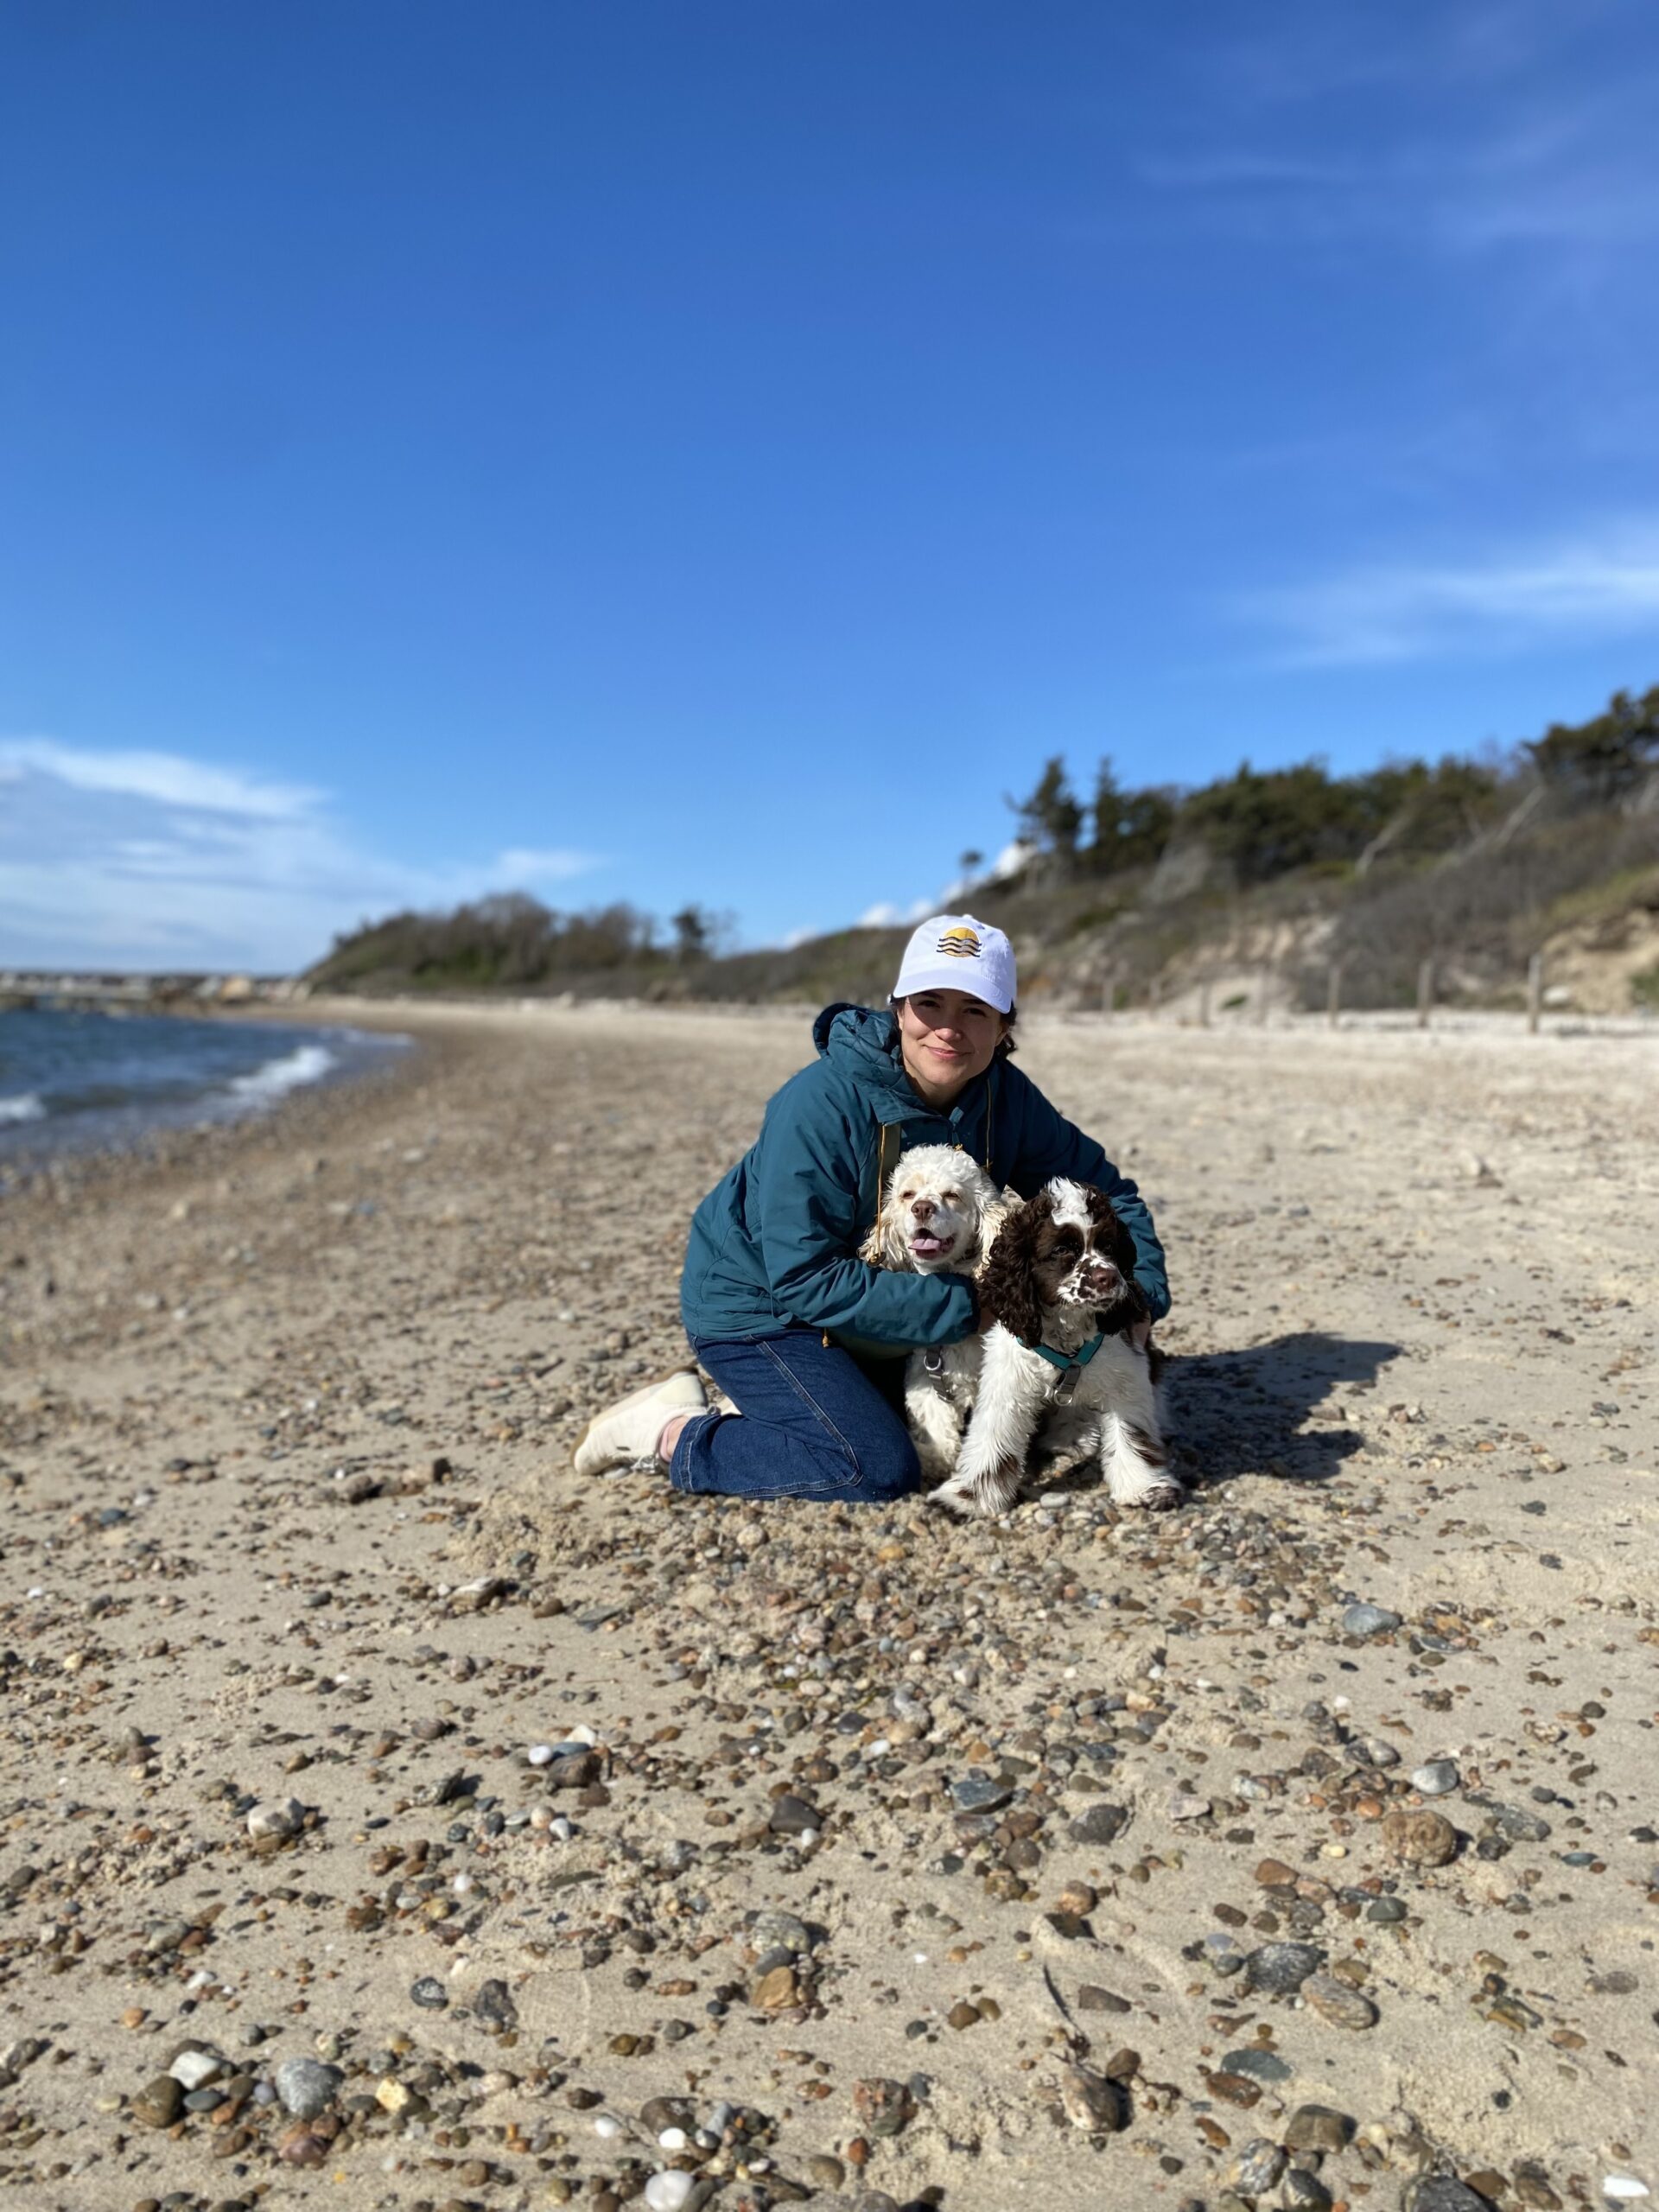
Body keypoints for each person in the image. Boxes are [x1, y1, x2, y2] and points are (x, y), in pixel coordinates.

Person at [573, 913, 1170, 1502]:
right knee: (871, 1466)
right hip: (764, 1307)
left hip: (901, 1305)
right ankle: (669, 1429)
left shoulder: (1007, 1096)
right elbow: (803, 1277)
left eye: (975, 1010)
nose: (949, 1028)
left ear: (1004, 1023)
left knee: (1050, 1404)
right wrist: (975, 1305)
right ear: (898, 1007)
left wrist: (1135, 1294)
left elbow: (1106, 1197)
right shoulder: (819, 1104)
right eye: (929, 1003)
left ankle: (804, 1398)